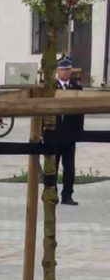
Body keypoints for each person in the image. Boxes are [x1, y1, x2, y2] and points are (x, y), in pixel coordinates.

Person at [54, 56, 83, 206]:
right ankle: (51, 194)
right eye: (62, 69)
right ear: (57, 71)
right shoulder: (51, 87)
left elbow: (80, 111)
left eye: (67, 69)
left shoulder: (76, 87)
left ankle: (67, 195)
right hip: (53, 133)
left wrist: (79, 131)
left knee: (69, 166)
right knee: (51, 166)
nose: (65, 72)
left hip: (70, 134)